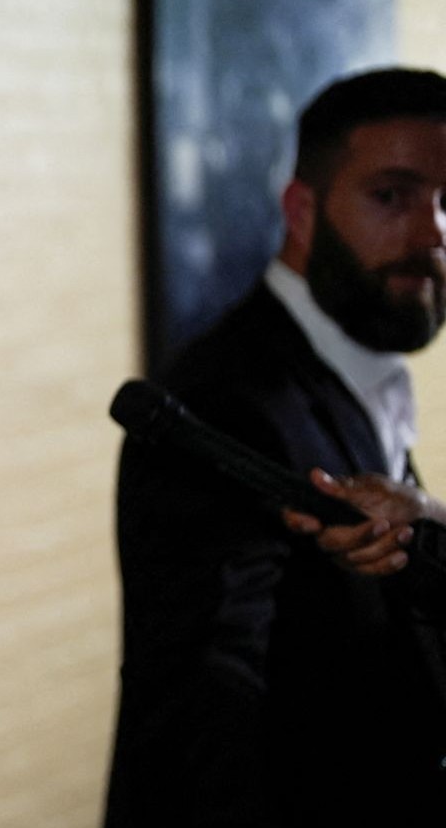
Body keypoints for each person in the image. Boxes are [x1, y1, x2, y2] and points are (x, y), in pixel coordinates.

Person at [106, 68, 446, 827]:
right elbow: (205, 719)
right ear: (301, 211)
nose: (433, 235)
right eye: (392, 196)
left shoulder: (358, 370)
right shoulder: (223, 404)